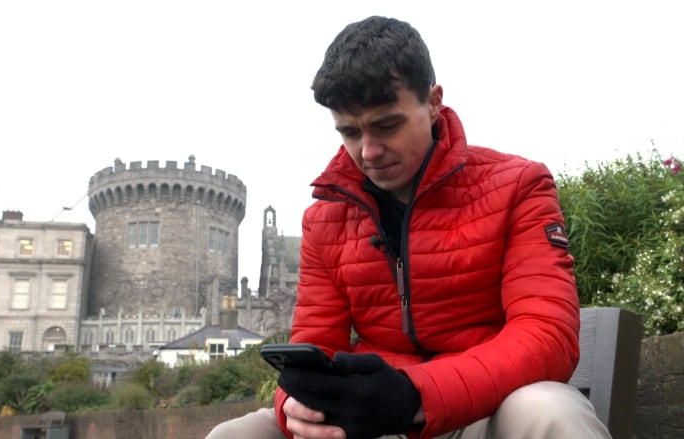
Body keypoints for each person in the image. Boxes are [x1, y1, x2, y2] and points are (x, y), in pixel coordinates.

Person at [207, 15, 611, 439]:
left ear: (434, 102)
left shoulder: (518, 187)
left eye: (387, 125)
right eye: (349, 132)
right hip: (370, 417)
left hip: (485, 408)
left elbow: (546, 336)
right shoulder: (324, 221)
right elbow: (317, 345)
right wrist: (298, 403)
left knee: (548, 412)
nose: (369, 151)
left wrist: (414, 396)